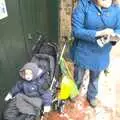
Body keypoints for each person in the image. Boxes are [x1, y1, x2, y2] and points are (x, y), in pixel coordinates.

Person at [70, 0, 120, 107]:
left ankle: (92, 96)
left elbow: (119, 28)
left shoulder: (116, 8)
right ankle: (74, 91)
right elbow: (76, 30)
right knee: (78, 76)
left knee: (95, 78)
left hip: (101, 52)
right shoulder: (83, 5)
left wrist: (115, 36)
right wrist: (99, 33)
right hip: (83, 50)